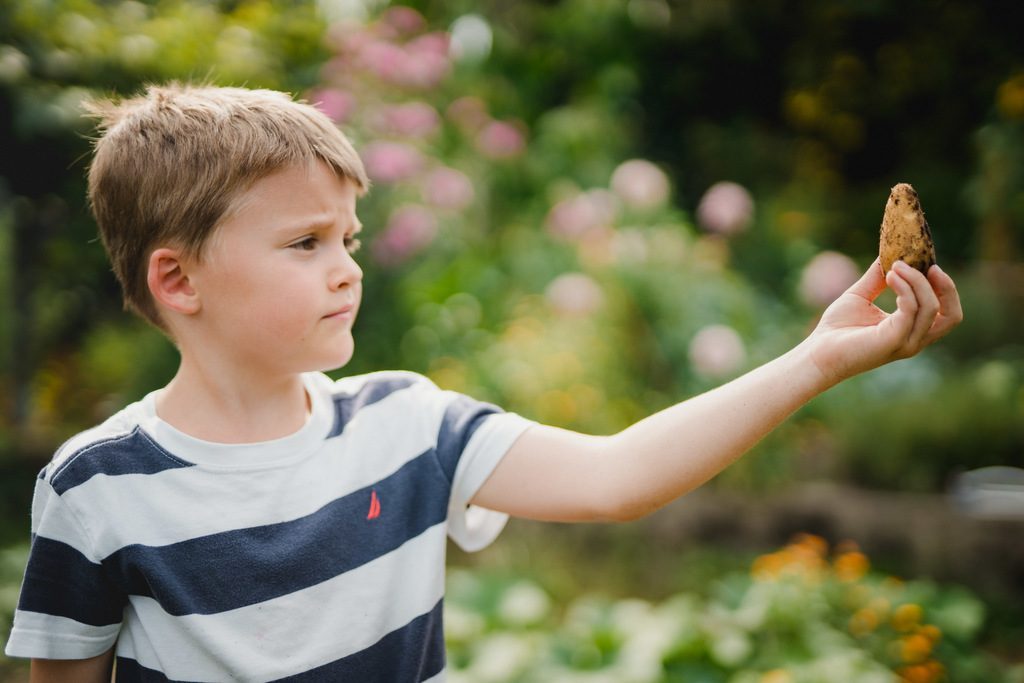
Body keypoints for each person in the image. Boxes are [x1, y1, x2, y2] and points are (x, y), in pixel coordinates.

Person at [4, 83, 962, 683]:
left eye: (349, 239)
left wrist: (818, 357)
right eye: (304, 243)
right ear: (178, 279)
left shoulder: (406, 424)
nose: (346, 268)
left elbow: (616, 475)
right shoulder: (96, 487)